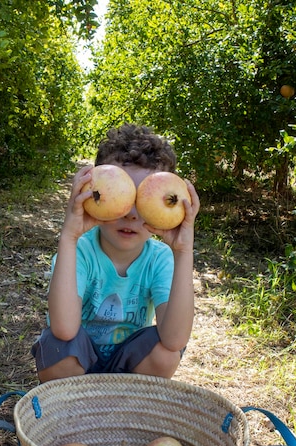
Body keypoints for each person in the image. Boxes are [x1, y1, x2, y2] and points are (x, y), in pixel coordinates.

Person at [32, 123, 199, 382]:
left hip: (128, 368)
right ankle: (72, 409)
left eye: (144, 200)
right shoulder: (80, 251)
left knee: (166, 352)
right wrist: (69, 236)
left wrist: (183, 250)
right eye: (119, 196)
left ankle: (124, 405)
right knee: (59, 346)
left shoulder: (159, 259)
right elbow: (64, 330)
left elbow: (175, 338)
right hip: (78, 367)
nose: (131, 214)